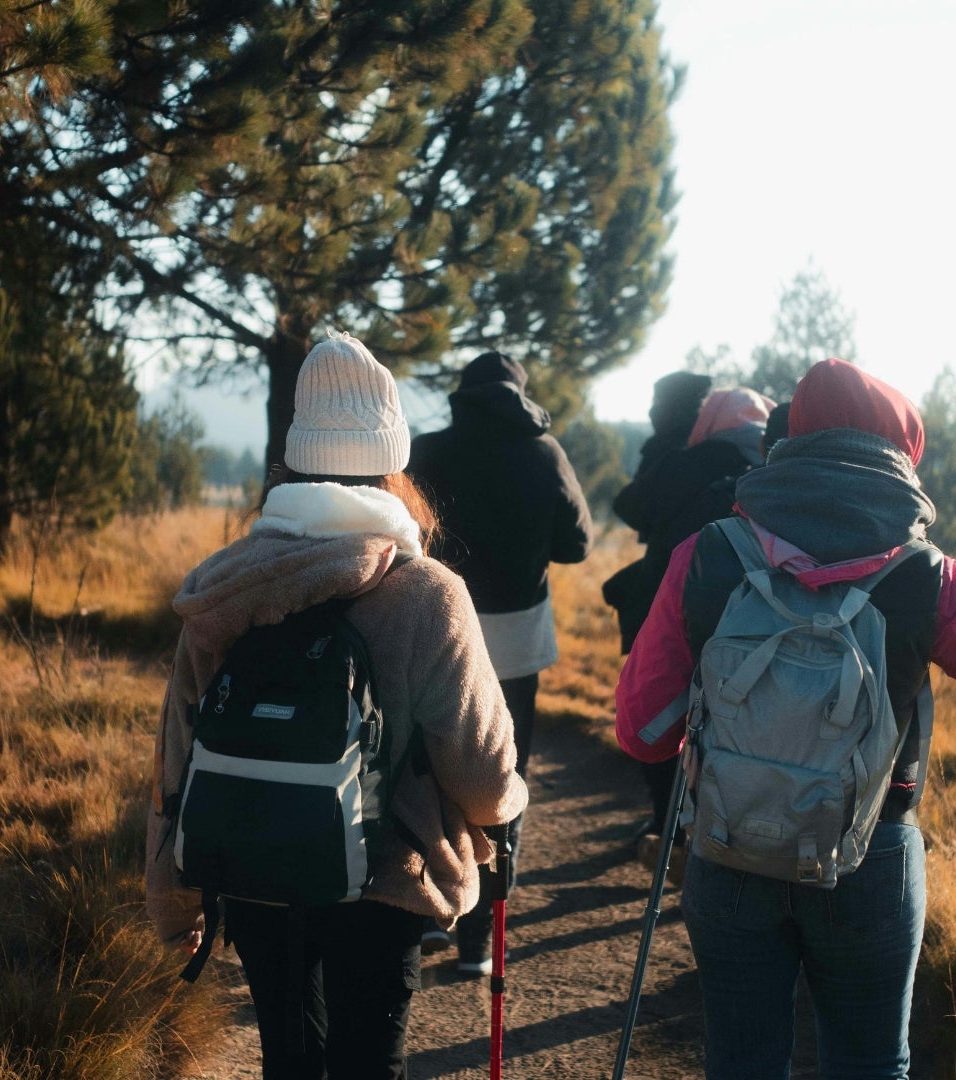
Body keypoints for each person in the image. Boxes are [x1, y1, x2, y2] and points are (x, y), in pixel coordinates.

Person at [614, 358, 956, 1079]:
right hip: (868, 860)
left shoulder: (711, 553)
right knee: (870, 1064)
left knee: (741, 1064)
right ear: (901, 458)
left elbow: (641, 733)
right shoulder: (926, 576)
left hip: (729, 845)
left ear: (791, 441)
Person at [147, 335, 528, 1080]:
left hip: (251, 867)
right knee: (367, 1063)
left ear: (293, 459)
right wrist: (500, 816)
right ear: (392, 464)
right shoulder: (430, 595)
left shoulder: (222, 586)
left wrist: (174, 900)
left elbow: (176, 758)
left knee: (288, 1058)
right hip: (387, 881)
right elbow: (480, 768)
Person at [408, 351, 595, 972]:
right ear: (521, 393)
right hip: (515, 637)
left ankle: (430, 906)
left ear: (463, 393)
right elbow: (577, 544)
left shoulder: (429, 449)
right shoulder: (545, 453)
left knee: (427, 765)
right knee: (503, 777)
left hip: (435, 625)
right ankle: (479, 942)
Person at [609, 386, 774, 860]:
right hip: (747, 617)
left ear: (712, 419)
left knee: (663, 713)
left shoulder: (686, 462)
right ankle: (718, 828)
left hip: (670, 599)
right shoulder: (771, 467)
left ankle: (668, 827)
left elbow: (630, 506)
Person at [601, 371, 713, 651]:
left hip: (670, 582)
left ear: (673, 408)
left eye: (658, 403)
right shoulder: (711, 448)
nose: (652, 411)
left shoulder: (674, 456)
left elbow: (630, 506)